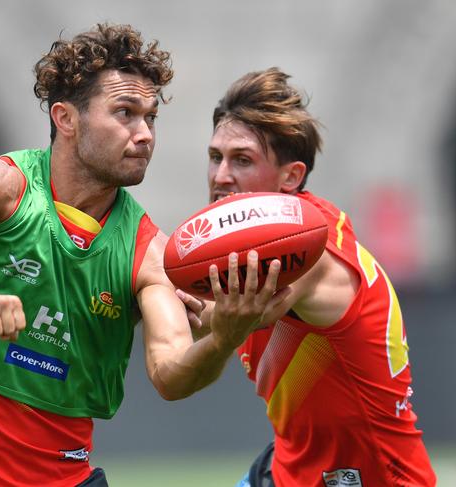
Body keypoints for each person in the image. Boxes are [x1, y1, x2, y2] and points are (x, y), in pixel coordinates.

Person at [0, 24, 286, 487]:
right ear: (66, 118)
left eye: (151, 117)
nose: (144, 135)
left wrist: (223, 340)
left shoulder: (151, 254)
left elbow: (169, 372)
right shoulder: (0, 185)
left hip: (63, 478)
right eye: (125, 113)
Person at [182, 68, 437, 486]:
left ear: (291, 177)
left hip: (375, 478)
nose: (220, 176)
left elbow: (217, 313)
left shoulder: (302, 250)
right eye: (215, 157)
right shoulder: (271, 238)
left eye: (242, 160)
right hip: (291, 469)